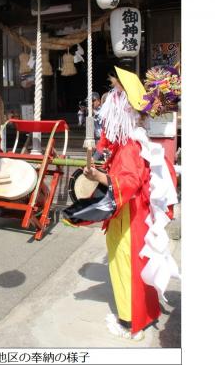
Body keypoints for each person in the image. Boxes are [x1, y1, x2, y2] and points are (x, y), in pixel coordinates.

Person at [66, 65, 180, 340]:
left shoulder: (129, 146)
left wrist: (99, 176)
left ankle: (130, 323)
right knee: (138, 266)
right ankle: (144, 314)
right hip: (136, 216)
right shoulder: (134, 142)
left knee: (125, 266)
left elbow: (126, 183)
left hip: (129, 216)